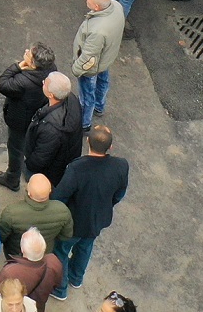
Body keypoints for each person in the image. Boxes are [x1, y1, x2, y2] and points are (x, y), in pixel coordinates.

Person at [50, 127, 127, 297]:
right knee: (85, 248)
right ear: (111, 147)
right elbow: (119, 194)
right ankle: (76, 278)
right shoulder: (121, 166)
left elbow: (59, 197)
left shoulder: (77, 168)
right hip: (98, 221)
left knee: (61, 251)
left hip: (73, 222)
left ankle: (60, 289)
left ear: (87, 142)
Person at [69, 0, 124, 130]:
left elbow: (89, 58)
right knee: (103, 81)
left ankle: (84, 124)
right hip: (106, 58)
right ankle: (99, 106)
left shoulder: (97, 31)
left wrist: (76, 69)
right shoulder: (117, 7)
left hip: (92, 67)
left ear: (97, 7)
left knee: (87, 95)